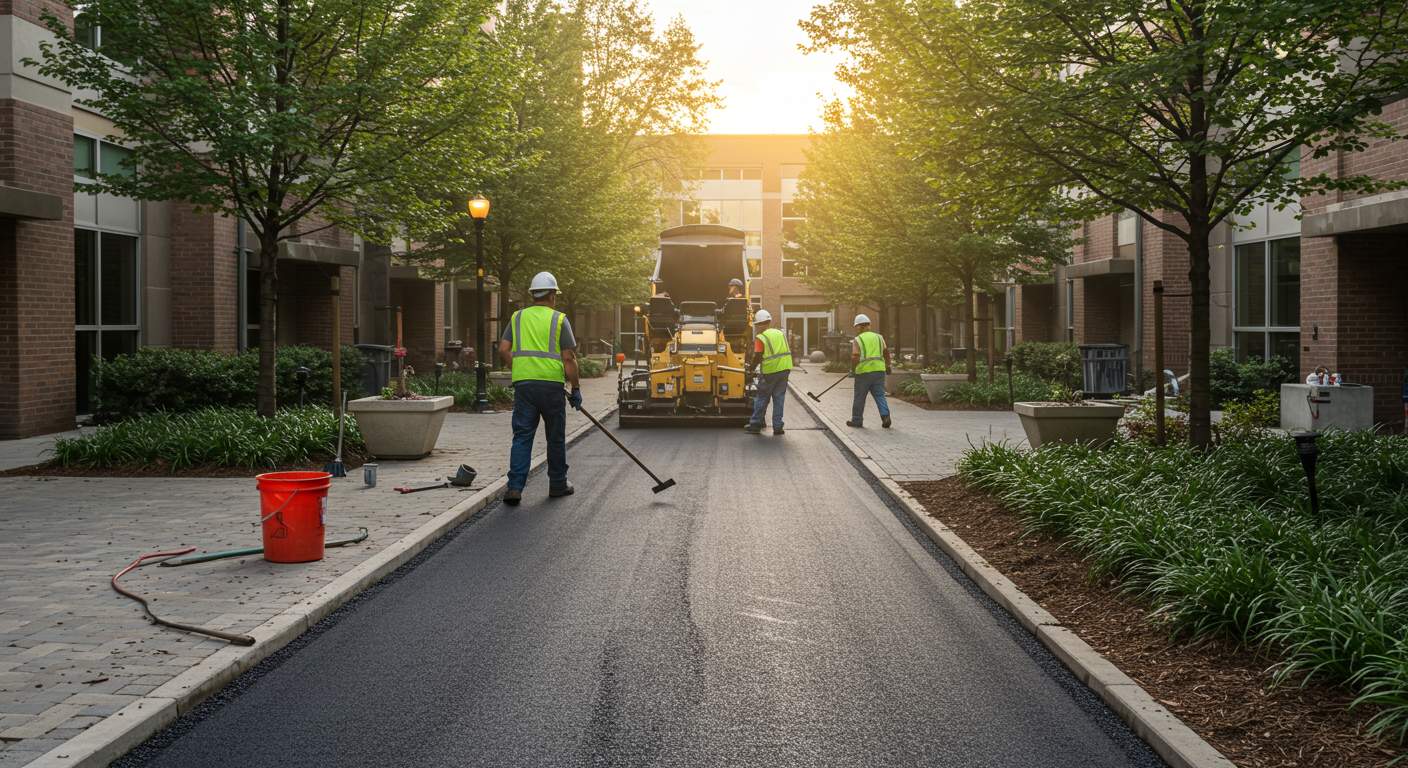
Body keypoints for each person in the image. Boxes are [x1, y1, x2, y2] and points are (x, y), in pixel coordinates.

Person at [498, 271, 581, 505]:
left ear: (533, 295)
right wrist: (575, 388)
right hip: (552, 386)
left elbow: (503, 349)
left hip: (524, 386)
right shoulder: (559, 319)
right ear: (553, 295)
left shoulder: (517, 318)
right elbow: (568, 357)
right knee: (555, 437)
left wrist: (524, 368)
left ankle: (514, 487)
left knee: (522, 436)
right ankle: (557, 484)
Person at [744, 309, 791, 435]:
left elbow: (758, 356)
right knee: (779, 399)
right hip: (785, 370)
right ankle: (778, 427)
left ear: (760, 324)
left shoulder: (761, 337)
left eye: (757, 325)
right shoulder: (780, 333)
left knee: (762, 398)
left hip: (770, 372)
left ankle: (755, 425)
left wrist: (751, 369)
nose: (757, 328)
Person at [846, 314, 892, 429]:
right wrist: (888, 365)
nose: (856, 329)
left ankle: (857, 420)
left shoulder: (858, 339)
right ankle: (885, 417)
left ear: (859, 326)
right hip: (879, 371)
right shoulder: (879, 337)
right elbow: (886, 352)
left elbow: (855, 357)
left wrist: (852, 370)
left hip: (863, 373)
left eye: (856, 326)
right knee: (880, 395)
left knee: (860, 397)